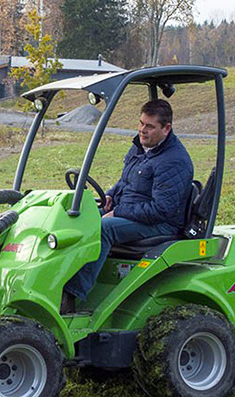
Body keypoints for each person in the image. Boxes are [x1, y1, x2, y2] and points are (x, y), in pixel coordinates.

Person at [61, 99, 193, 314]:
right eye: (141, 123)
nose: (142, 130)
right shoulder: (142, 148)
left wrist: (118, 212)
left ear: (166, 128)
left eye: (149, 126)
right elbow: (127, 180)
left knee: (104, 228)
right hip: (132, 211)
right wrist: (111, 194)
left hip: (161, 224)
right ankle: (57, 279)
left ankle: (72, 295)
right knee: (75, 217)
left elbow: (161, 209)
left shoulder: (174, 161)